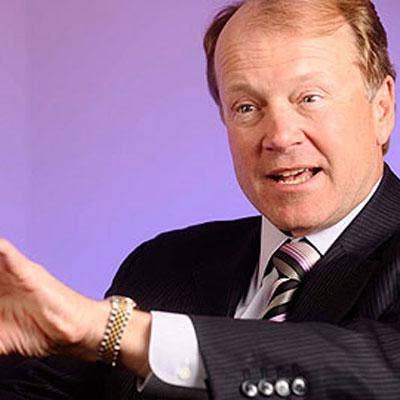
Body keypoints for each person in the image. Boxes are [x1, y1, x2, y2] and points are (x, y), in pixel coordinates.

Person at [0, 0, 399, 398]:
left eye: (310, 98)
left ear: (382, 108)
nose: (279, 136)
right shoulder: (162, 265)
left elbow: (376, 372)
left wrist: (119, 331)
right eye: (247, 107)